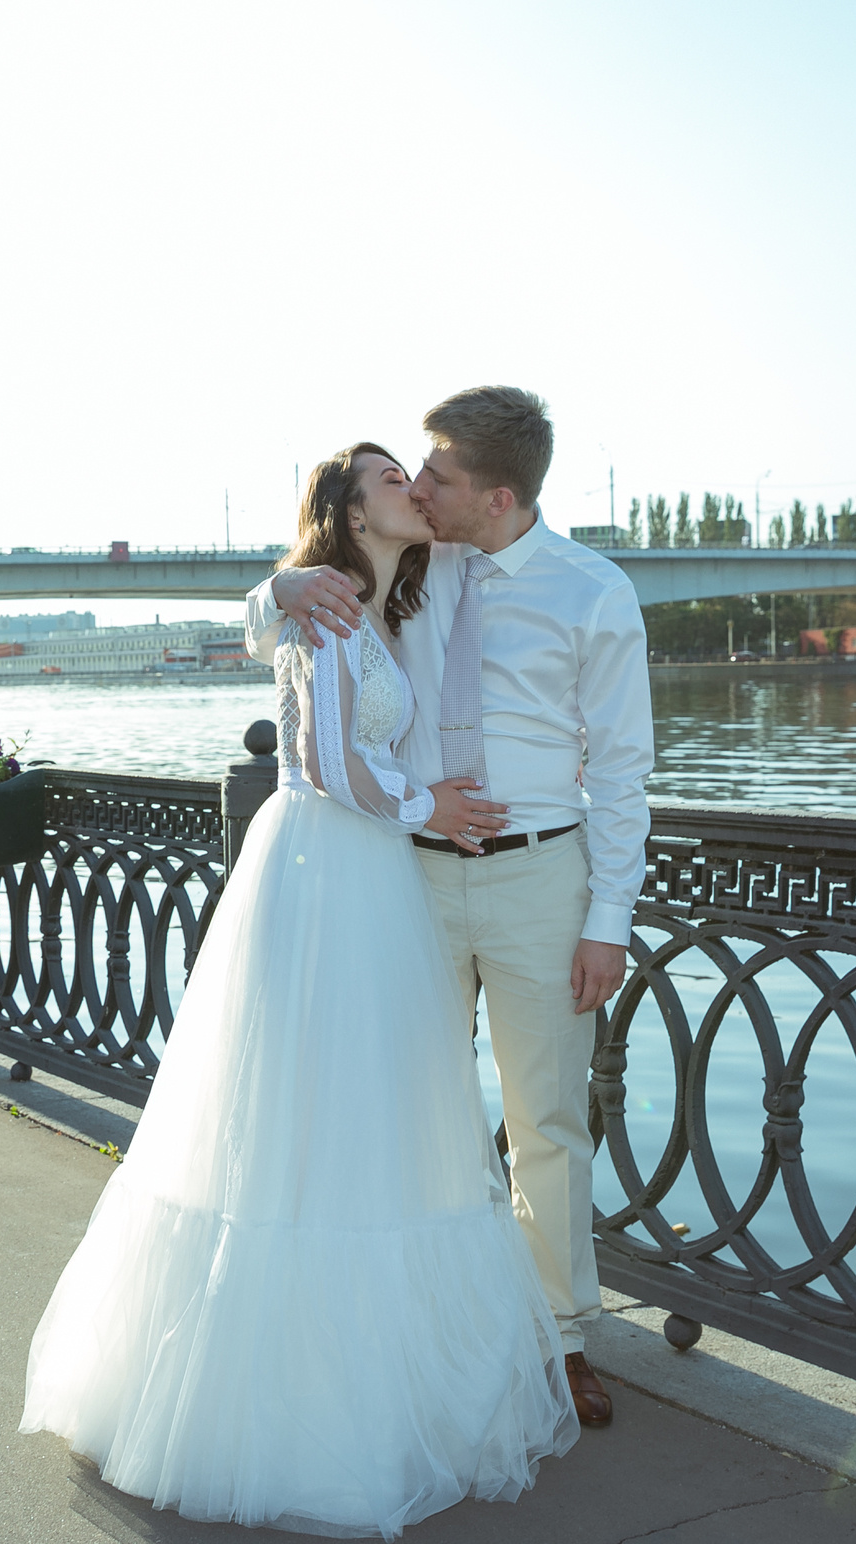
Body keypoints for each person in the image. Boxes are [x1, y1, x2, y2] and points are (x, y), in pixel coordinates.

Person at [20, 443, 578, 1540]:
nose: (409, 492)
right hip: (330, 872)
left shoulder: (378, 600)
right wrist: (435, 810)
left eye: (414, 480)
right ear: (345, 511)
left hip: (367, 873)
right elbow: (324, 762)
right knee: (310, 1108)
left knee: (370, 1114)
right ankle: (295, 1403)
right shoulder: (325, 606)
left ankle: (376, 1374)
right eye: (386, 482)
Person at [248, 386, 655, 1429]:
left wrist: (608, 919)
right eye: (411, 474)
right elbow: (279, 632)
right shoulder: (409, 570)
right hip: (403, 875)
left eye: (438, 477)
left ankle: (561, 1340)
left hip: (538, 878)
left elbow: (621, 770)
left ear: (498, 497)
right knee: (406, 1112)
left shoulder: (592, 592)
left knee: (547, 1120)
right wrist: (281, 589)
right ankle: (429, 1324)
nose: (419, 489)